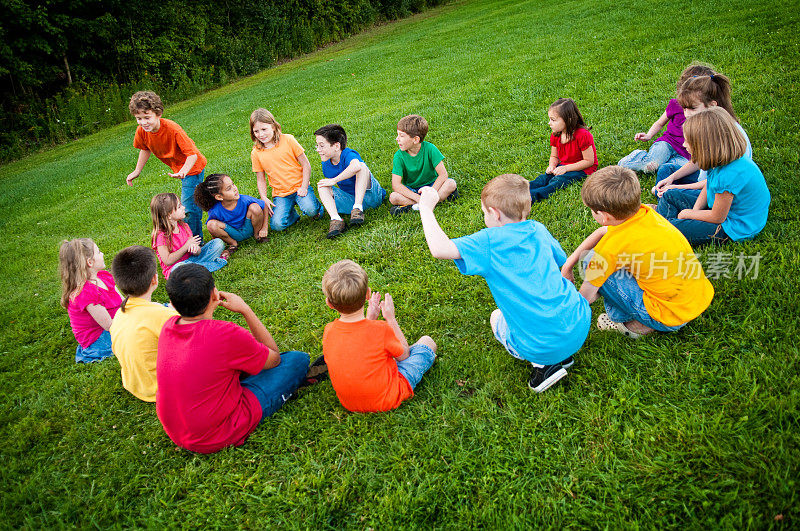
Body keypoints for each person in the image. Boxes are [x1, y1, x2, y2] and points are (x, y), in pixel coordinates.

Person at [418, 174, 590, 392]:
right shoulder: (538, 229)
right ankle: (562, 355)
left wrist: (426, 208)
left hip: (541, 345)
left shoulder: (488, 241)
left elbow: (439, 249)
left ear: (495, 214)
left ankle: (544, 366)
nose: (484, 217)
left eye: (484, 212)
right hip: (579, 324)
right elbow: (561, 264)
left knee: (496, 317)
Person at [156, 264, 310, 454]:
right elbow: (274, 358)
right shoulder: (224, 333)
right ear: (215, 294)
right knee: (297, 360)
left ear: (171, 301)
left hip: (177, 431)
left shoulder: (167, 327)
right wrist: (246, 310)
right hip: (217, 434)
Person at [562, 165, 715, 338]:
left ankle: (627, 322)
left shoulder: (609, 250)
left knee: (589, 262)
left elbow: (584, 299)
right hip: (696, 299)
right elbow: (603, 231)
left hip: (668, 317)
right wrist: (568, 265)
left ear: (604, 216)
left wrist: (561, 312)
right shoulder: (645, 213)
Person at [321, 259, 436, 411]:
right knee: (427, 342)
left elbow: (358, 343)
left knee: (380, 353)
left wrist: (370, 319)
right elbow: (405, 354)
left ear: (329, 303)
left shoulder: (329, 330)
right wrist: (390, 318)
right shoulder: (380, 329)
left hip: (350, 404)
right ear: (368, 293)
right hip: (388, 397)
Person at [655, 107, 770, 245]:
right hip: (723, 210)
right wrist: (694, 211)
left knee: (671, 228)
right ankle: (663, 228)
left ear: (705, 146)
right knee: (669, 195)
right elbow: (709, 185)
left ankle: (662, 233)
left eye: (688, 141)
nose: (684, 145)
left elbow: (717, 217)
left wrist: (687, 214)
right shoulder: (720, 161)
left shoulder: (729, 175)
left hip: (733, 226)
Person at [652, 70, 751, 197]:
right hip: (704, 181)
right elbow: (697, 162)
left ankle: (665, 208)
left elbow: (715, 182)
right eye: (684, 108)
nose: (686, 114)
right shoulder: (709, 125)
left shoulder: (720, 134)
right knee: (667, 170)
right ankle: (665, 200)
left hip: (717, 193)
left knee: (672, 195)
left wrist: (676, 188)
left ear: (712, 105)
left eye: (692, 108)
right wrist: (671, 178)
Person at [126, 91, 207, 239]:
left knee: (189, 208)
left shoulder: (172, 129)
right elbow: (145, 148)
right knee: (196, 199)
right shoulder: (142, 131)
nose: (143, 122)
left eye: (147, 117)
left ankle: (195, 241)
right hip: (180, 169)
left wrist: (183, 171)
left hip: (192, 168)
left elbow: (192, 155)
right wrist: (137, 171)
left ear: (158, 114)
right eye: (139, 118)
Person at [109, 246, 178, 402]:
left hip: (134, 385)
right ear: (154, 279)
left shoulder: (119, 315)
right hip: (162, 389)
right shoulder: (163, 316)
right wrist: (177, 312)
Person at [618, 63, 713, 174]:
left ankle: (664, 164)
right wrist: (649, 135)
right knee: (652, 165)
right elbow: (660, 123)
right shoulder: (675, 104)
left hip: (686, 154)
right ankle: (637, 156)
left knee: (673, 169)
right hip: (668, 144)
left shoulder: (708, 113)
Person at [250, 108, 324, 231]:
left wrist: (304, 187)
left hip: (300, 187)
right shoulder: (256, 152)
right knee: (277, 226)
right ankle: (293, 216)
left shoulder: (288, 140)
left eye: (264, 129)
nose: (261, 134)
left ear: (273, 126)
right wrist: (264, 197)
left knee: (311, 210)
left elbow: (306, 165)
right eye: (256, 131)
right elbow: (260, 179)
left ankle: (318, 208)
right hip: (281, 194)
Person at [314, 124, 387, 238]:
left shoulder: (348, 154)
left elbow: (356, 166)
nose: (318, 150)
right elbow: (329, 190)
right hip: (349, 201)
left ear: (336, 146)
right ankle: (336, 220)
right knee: (322, 185)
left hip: (372, 197)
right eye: (317, 145)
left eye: (322, 146)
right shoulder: (326, 164)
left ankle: (358, 208)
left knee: (361, 166)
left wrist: (334, 180)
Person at [59, 238, 122, 363]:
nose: (102, 254)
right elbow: (109, 325)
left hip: (115, 323)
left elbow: (124, 302)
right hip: (100, 337)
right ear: (90, 262)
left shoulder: (104, 276)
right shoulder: (85, 293)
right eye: (98, 252)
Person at [528, 98, 597, 202]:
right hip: (563, 166)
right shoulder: (556, 135)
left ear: (568, 119)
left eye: (553, 120)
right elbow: (554, 156)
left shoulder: (583, 135)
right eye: (549, 119)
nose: (549, 123)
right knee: (543, 178)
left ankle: (533, 196)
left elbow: (589, 161)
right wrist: (552, 165)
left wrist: (566, 168)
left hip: (582, 169)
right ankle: (521, 190)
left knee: (559, 180)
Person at [388, 114, 457, 216]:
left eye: (401, 136)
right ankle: (429, 202)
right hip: (412, 191)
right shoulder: (399, 156)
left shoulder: (430, 149)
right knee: (393, 197)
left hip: (432, 186)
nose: (397, 139)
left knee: (451, 183)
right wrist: (417, 198)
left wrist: (431, 192)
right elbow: (396, 185)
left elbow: (443, 175)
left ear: (416, 139)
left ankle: (414, 206)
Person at [150, 193, 227, 278]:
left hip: (193, 260)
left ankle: (197, 269)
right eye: (179, 207)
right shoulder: (161, 236)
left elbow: (197, 252)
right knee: (179, 267)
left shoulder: (184, 226)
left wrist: (196, 249)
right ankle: (210, 265)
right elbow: (167, 261)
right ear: (168, 215)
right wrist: (186, 246)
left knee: (218, 243)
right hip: (176, 268)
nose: (183, 207)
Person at [194, 173, 270, 254]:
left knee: (255, 207)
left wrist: (264, 228)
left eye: (233, 184)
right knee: (210, 224)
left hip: (249, 228)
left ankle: (258, 236)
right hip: (233, 233)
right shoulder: (215, 210)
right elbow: (213, 229)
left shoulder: (244, 199)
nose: (234, 189)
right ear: (219, 197)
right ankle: (233, 244)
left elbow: (264, 205)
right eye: (229, 188)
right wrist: (216, 245)